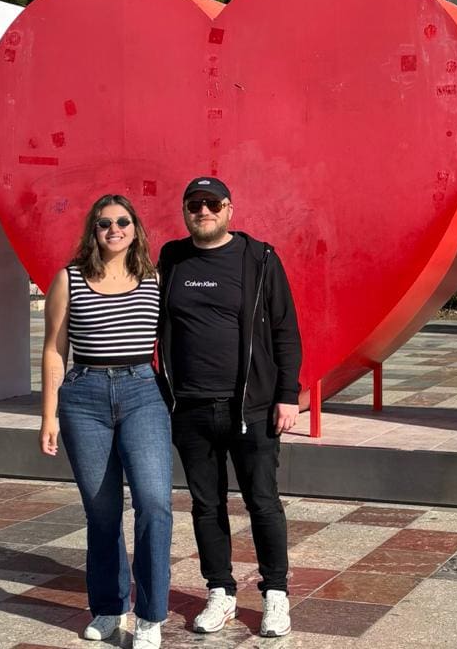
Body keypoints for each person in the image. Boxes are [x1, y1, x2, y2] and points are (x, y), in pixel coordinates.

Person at [156, 176, 302, 638]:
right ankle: (219, 590)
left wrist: (287, 394)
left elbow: (285, 330)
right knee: (205, 505)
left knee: (263, 502)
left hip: (251, 407)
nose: (203, 210)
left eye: (211, 203)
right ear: (185, 211)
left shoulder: (259, 258)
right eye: (194, 204)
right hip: (191, 408)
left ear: (229, 209)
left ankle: (275, 594)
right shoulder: (172, 258)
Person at [40, 194, 172, 649]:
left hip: (142, 392)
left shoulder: (155, 280)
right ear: (92, 231)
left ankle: (151, 615)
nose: (113, 229)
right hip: (84, 397)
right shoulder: (69, 278)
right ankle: (110, 607)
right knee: (102, 511)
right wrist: (49, 417)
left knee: (154, 502)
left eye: (122, 221)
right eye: (103, 224)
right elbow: (55, 351)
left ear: (135, 227)